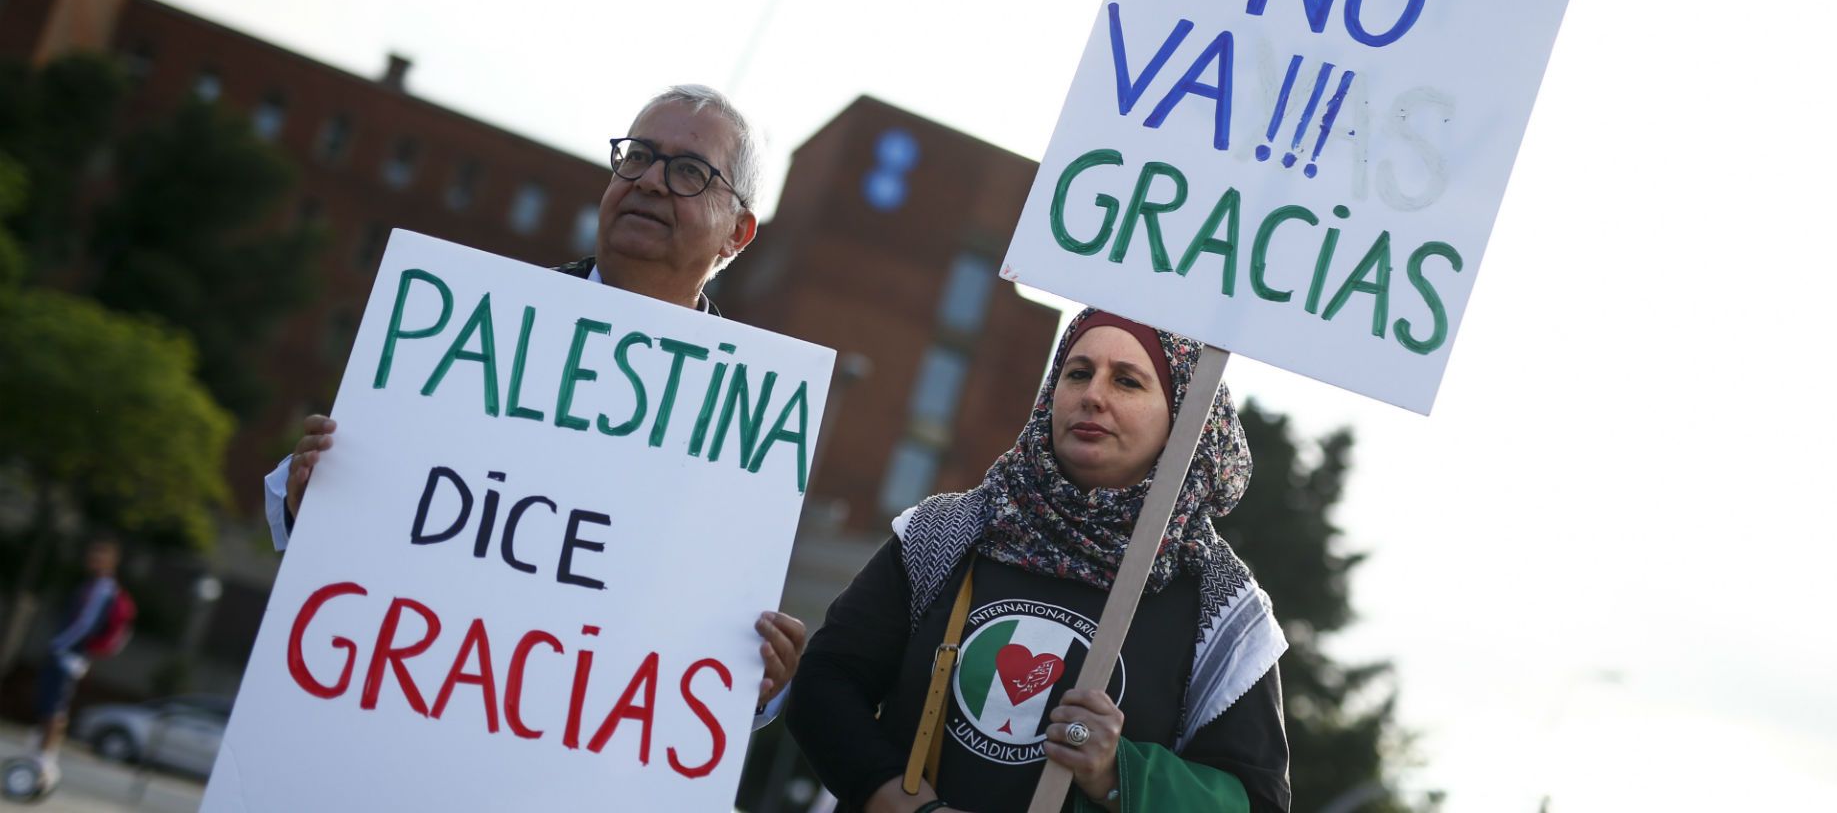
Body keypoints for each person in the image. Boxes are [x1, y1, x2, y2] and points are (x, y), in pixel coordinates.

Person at [262, 83, 807, 721]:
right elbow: (313, 515)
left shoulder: (746, 417)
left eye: (689, 171)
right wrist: (313, 500)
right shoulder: (470, 327)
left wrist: (761, 683)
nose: (650, 182)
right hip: (411, 705)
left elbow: (701, 632)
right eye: (637, 156)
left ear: (738, 234)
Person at [786, 308, 1290, 812]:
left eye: (1127, 382)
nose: (1093, 395)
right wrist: (904, 804)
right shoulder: (948, 531)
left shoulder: (1219, 605)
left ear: (1183, 419)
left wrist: (1119, 774)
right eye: (1078, 373)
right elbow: (826, 683)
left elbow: (1257, 801)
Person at [27, 536, 124, 788]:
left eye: (99, 555)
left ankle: (44, 759)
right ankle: (41, 754)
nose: (92, 560)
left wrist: (60, 644)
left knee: (54, 709)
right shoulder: (92, 584)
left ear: (111, 560)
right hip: (69, 653)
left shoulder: (103, 588)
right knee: (51, 705)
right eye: (91, 555)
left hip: (68, 655)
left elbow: (86, 624)